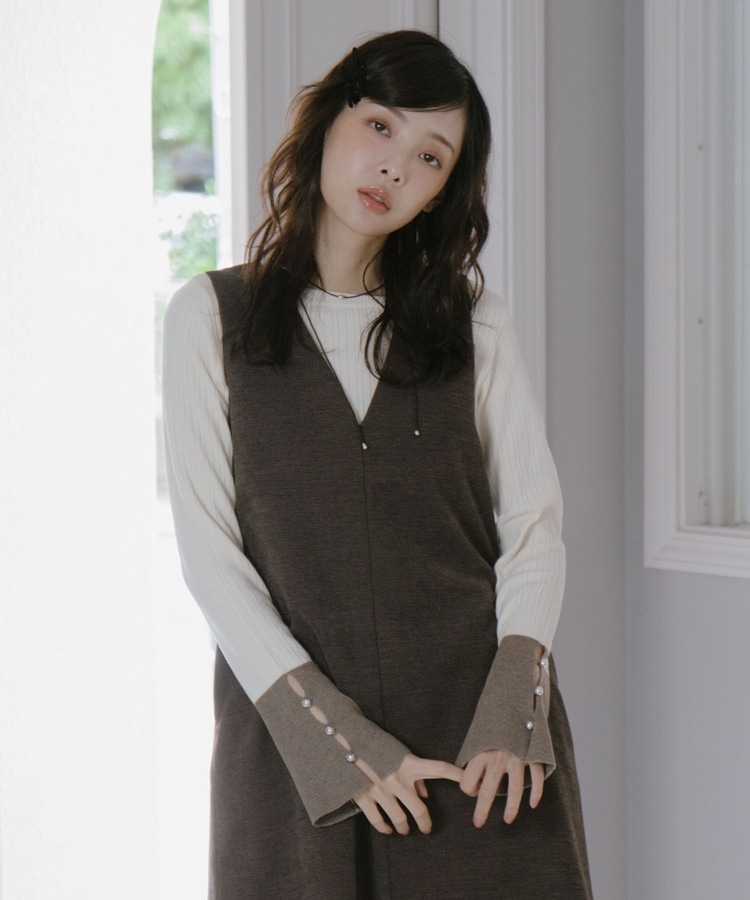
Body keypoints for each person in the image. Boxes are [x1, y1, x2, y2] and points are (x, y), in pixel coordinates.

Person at [163, 29, 592, 899]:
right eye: (381, 126)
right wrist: (339, 743)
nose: (395, 166)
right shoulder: (210, 317)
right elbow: (210, 558)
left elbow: (534, 527)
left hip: (479, 752)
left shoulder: (474, 323)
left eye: (431, 156)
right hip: (296, 749)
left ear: (443, 193)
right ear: (329, 121)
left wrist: (512, 709)